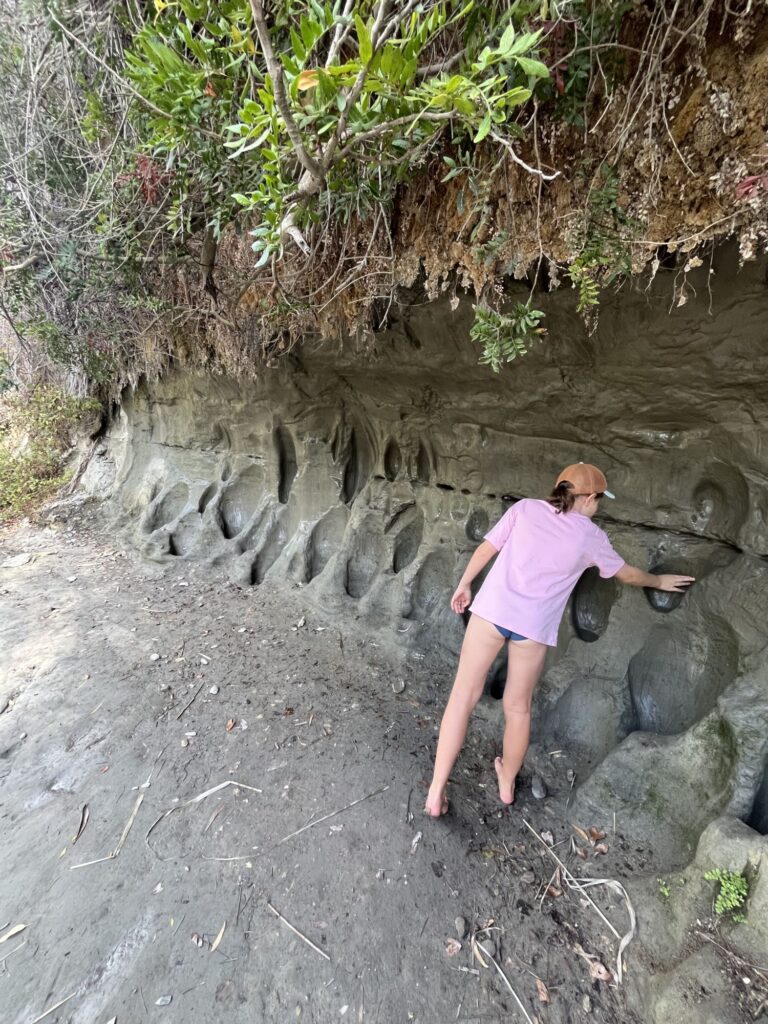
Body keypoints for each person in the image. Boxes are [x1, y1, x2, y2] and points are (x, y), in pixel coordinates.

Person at [424, 463, 694, 817]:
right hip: (531, 630)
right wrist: (658, 582)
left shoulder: (524, 509)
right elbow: (626, 575)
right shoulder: (591, 537)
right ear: (590, 498)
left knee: (462, 698)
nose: (598, 506)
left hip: (490, 613)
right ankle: (506, 783)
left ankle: (436, 791)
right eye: (599, 500)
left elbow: (487, 549)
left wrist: (464, 584)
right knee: (518, 709)